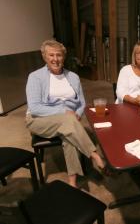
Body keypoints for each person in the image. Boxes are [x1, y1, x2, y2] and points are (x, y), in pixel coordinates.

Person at [25, 39, 106, 188]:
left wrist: (77, 114)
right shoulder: (35, 77)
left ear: (64, 57)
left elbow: (81, 103)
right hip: (39, 120)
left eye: (59, 55)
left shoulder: (73, 77)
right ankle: (94, 155)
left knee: (69, 135)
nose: (55, 59)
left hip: (67, 120)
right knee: (68, 122)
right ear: (44, 56)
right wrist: (64, 112)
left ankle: (72, 182)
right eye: (51, 55)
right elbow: (35, 108)